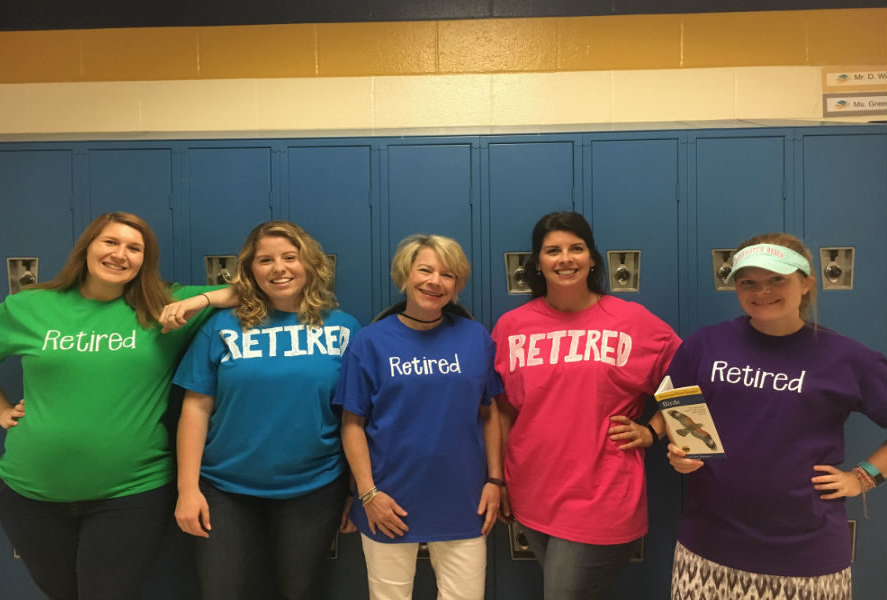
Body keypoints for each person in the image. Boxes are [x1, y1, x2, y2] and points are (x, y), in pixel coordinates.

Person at [0, 211, 233, 600]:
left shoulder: (162, 308)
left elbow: (249, 291)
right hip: (29, 493)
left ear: (144, 261)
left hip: (130, 494)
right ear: (87, 247)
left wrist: (200, 299)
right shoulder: (30, 306)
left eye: (135, 248)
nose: (121, 254)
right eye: (111, 242)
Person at [666, 233, 887, 600]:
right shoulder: (704, 345)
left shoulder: (847, 358)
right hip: (709, 548)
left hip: (807, 556)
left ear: (806, 283)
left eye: (777, 280)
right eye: (748, 282)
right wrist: (682, 454)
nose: (762, 291)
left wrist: (864, 477)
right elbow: (680, 418)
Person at [491, 211, 681, 599]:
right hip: (533, 491)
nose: (565, 258)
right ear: (538, 263)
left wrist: (653, 429)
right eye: (553, 250)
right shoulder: (512, 326)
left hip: (602, 494)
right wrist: (501, 479)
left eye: (576, 248)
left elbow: (689, 380)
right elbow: (504, 409)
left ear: (593, 258)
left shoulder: (630, 320)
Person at [172, 220, 360, 600]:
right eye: (265, 260)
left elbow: (355, 417)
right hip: (224, 488)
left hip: (314, 487)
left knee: (298, 592)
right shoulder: (222, 326)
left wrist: (356, 490)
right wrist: (186, 488)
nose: (279, 269)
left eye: (290, 257)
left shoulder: (343, 328)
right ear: (250, 270)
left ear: (309, 265)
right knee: (222, 592)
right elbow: (195, 409)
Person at [334, 234, 503, 600]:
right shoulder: (370, 342)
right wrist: (367, 494)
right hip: (388, 501)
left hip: (464, 498)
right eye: (425, 270)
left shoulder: (475, 337)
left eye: (448, 274)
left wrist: (495, 480)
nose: (435, 281)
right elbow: (352, 425)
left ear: (457, 284)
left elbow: (489, 414)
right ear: (405, 276)